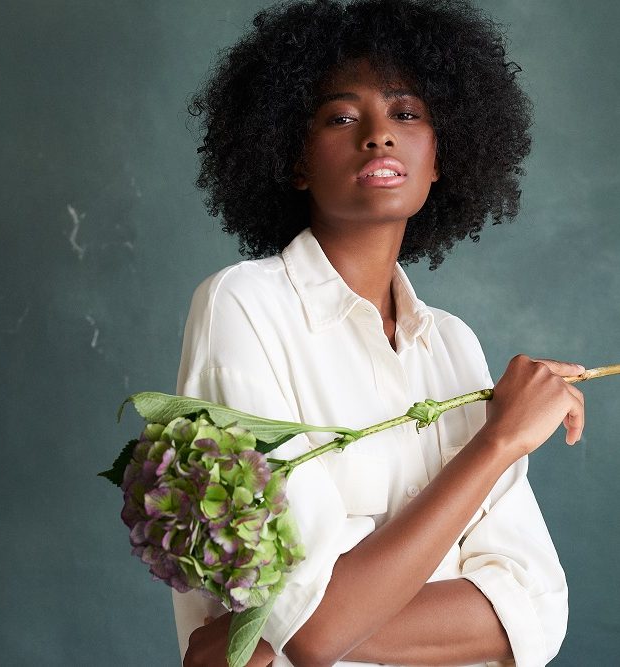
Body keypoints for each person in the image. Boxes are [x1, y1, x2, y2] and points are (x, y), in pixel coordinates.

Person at [173, 1, 585, 665]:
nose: (377, 135)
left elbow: (537, 609)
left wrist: (310, 615)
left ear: (439, 156)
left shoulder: (453, 344)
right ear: (294, 158)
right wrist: (499, 440)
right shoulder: (242, 306)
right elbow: (310, 631)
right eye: (340, 116)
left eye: (406, 112)